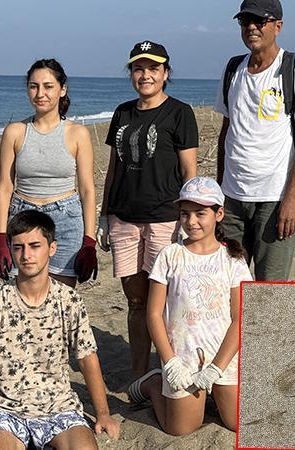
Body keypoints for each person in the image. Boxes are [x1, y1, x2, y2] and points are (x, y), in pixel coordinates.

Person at [0, 210, 120, 450]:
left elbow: (87, 357)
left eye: (35, 246)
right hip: (3, 410)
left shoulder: (69, 300)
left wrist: (103, 413)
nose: (26, 255)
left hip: (59, 407)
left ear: (52, 248)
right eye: (18, 247)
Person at [98, 40, 198, 378]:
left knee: (166, 303)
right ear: (131, 74)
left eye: (153, 68)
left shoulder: (180, 113)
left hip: (164, 220)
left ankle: (172, 372)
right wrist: (104, 214)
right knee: (136, 301)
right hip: (123, 220)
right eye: (138, 68)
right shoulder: (122, 112)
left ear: (166, 73)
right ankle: (140, 376)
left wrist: (188, 218)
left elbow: (189, 171)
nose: (145, 75)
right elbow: (114, 168)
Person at [127, 176, 252, 435]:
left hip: (223, 356)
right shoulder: (169, 255)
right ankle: (154, 384)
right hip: (183, 356)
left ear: (219, 214)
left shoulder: (233, 260)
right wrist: (170, 362)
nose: (191, 221)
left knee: (237, 424)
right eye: (185, 214)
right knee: (181, 429)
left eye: (200, 213)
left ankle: (213, 390)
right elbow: (153, 314)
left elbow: (239, 318)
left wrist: (216, 368)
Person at [215, 0, 295, 281]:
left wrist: (291, 198)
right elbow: (226, 132)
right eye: (245, 21)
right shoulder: (232, 69)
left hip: (275, 198)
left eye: (259, 21)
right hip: (232, 198)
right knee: (227, 282)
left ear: (278, 26)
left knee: (269, 288)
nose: (251, 27)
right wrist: (219, 192)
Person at [0, 59, 97, 287]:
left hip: (66, 219)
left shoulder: (78, 133)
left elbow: (87, 190)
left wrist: (89, 242)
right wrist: (1, 238)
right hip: (23, 217)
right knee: (22, 295)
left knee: (61, 297)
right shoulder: (15, 132)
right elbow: (4, 187)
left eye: (48, 86)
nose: (40, 93)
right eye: (34, 86)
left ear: (62, 89)